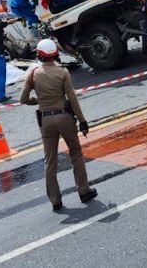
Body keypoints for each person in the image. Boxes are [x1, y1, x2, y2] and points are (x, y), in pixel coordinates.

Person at [20, 39, 97, 211]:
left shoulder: (32, 74)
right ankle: (83, 191)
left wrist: (38, 100)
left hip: (46, 121)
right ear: (55, 54)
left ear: (39, 55)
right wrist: (82, 121)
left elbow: (23, 99)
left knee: (50, 161)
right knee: (76, 154)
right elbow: (73, 99)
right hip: (64, 118)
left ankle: (56, 201)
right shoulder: (63, 73)